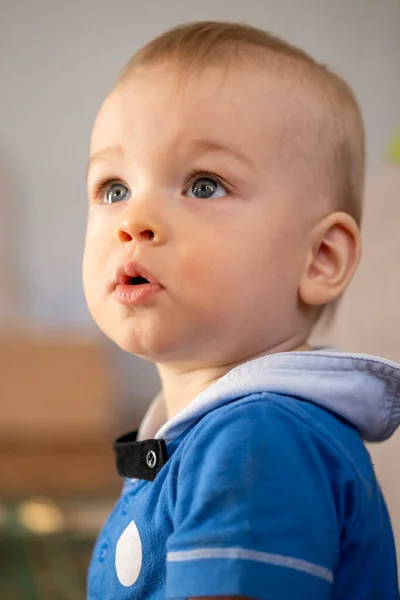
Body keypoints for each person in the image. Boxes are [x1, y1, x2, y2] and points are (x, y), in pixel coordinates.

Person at [82, 21, 400, 600]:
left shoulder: (260, 438)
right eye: (113, 189)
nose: (133, 221)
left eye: (204, 185)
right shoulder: (205, 436)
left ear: (320, 259)